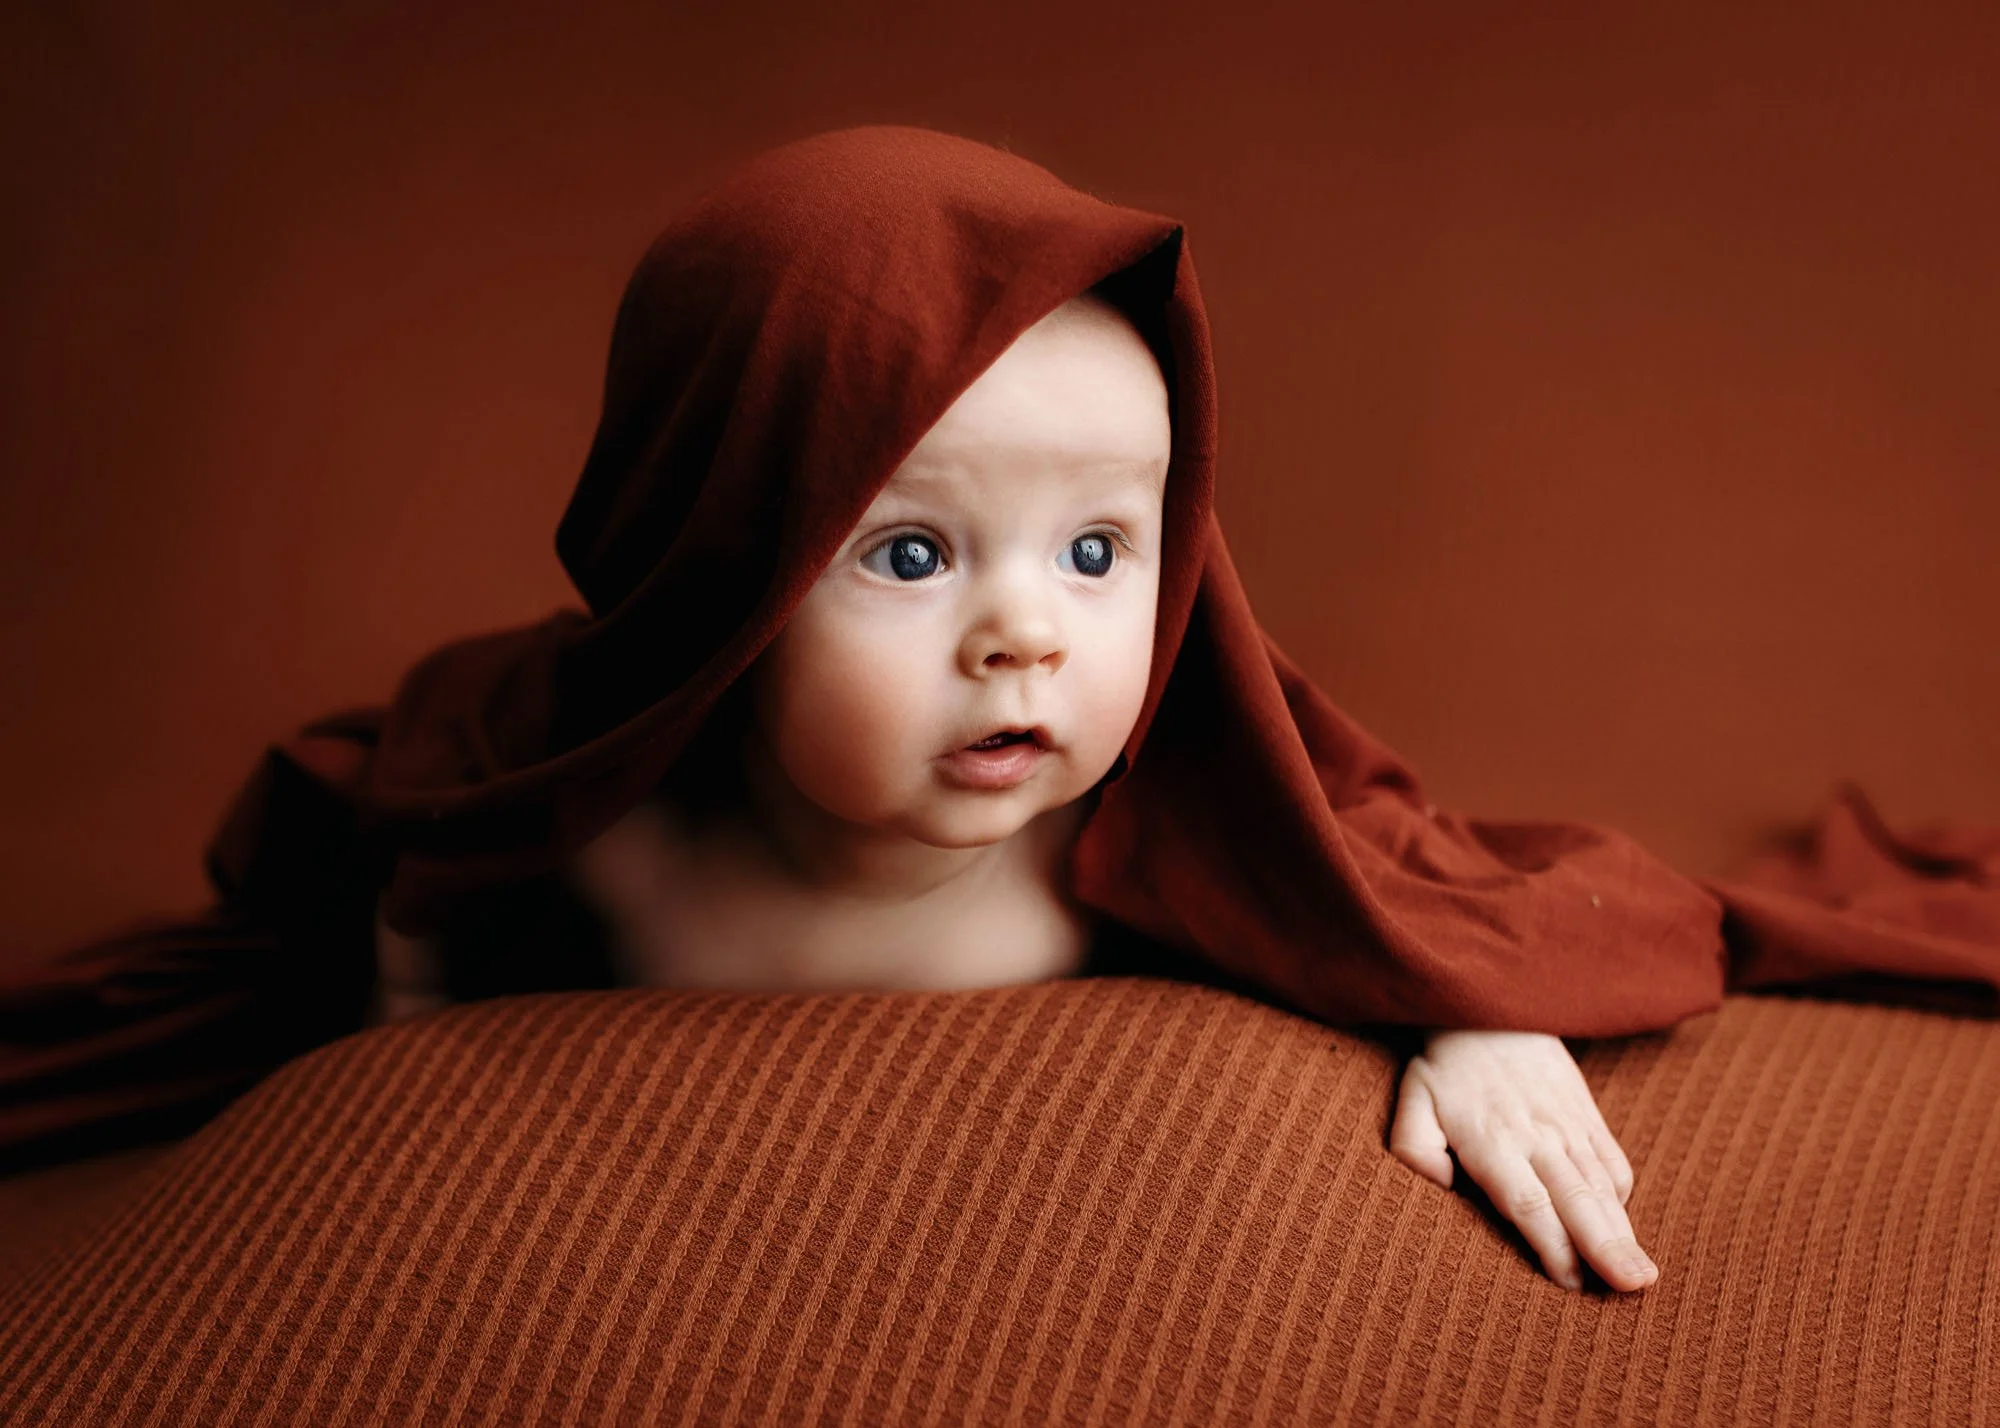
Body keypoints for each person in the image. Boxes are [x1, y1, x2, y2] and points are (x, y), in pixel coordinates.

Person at [8, 126, 1997, 1302]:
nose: (1025, 640)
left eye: (1099, 550)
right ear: (717, 578)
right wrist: (393, 1049)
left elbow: (1396, 873)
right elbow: (410, 867)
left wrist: (1466, 1008)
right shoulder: (594, 838)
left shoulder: (1139, 836)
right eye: (907, 553)